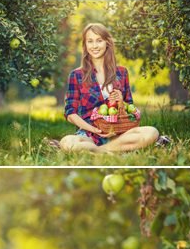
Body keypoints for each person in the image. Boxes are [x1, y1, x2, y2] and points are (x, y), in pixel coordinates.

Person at [59, 23, 159, 154]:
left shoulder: (122, 73)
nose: (94, 46)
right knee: (67, 142)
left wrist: (121, 101)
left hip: (119, 134)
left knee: (152, 132)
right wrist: (95, 130)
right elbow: (70, 113)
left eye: (99, 41)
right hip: (89, 134)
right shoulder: (77, 75)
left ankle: (99, 152)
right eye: (90, 41)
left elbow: (130, 109)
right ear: (85, 45)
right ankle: (113, 151)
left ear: (107, 43)